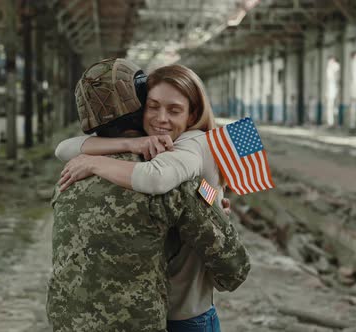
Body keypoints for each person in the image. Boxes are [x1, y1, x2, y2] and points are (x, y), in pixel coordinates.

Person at [46, 58, 250, 332]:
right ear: (139, 107)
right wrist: (212, 207)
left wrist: (94, 162)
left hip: (168, 312)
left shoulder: (73, 175)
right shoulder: (166, 169)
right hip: (182, 314)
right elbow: (234, 267)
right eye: (153, 107)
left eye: (174, 110)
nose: (161, 118)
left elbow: (157, 176)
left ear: (192, 115)